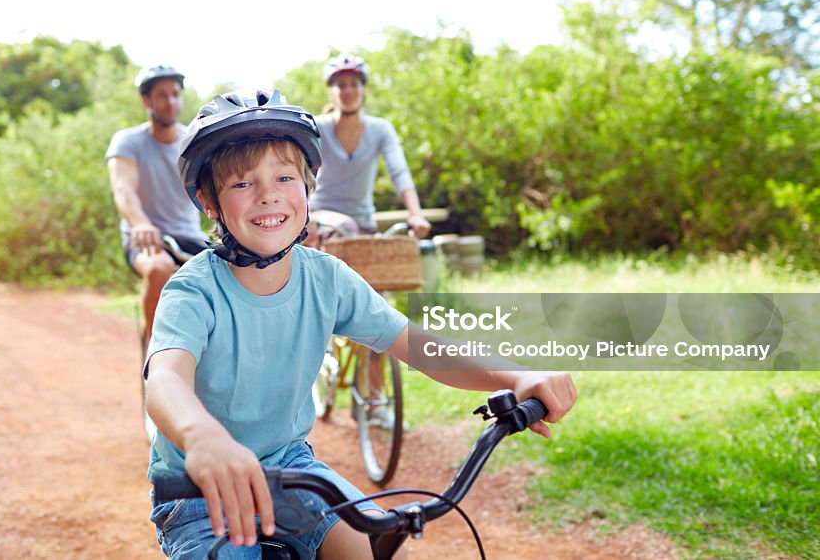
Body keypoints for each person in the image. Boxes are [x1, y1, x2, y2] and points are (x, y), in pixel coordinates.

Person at [144, 89, 577, 558]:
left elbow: (417, 344)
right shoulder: (194, 290)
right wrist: (200, 437)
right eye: (243, 184)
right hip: (201, 486)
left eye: (285, 176)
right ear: (208, 201)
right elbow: (166, 379)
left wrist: (516, 375)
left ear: (308, 188)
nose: (269, 194)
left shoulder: (326, 278)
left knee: (382, 549)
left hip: (288, 470)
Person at [105, 65, 210, 352]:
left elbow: (213, 188)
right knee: (159, 267)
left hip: (189, 236)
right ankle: (157, 350)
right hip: (147, 238)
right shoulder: (129, 141)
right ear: (146, 101)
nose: (171, 102)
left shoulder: (192, 140)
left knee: (238, 274)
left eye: (175, 94)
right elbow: (123, 188)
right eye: (162, 95)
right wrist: (139, 223)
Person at [308, 53, 431, 244]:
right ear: (330, 92)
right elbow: (300, 173)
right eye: (341, 85)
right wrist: (306, 216)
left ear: (363, 89)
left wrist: (416, 214)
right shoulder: (317, 127)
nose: (348, 90)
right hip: (322, 218)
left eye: (354, 84)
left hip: (363, 222)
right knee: (345, 228)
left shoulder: (380, 129)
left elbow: (399, 172)